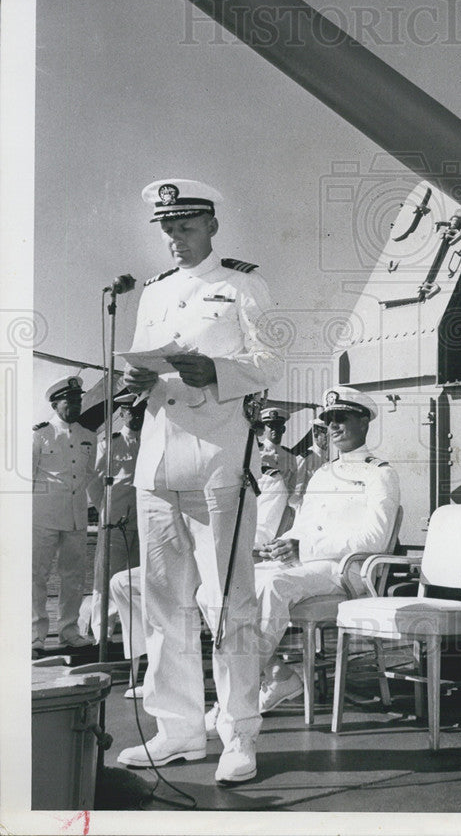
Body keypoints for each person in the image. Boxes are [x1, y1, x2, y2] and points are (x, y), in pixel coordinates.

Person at [116, 178, 281, 786]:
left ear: (211, 225)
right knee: (164, 603)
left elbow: (270, 363)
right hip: (158, 460)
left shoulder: (243, 286)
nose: (174, 241)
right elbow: (144, 360)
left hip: (218, 455)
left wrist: (212, 368)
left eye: (184, 228)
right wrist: (139, 383)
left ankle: (238, 734)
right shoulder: (155, 293)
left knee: (229, 602)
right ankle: (179, 730)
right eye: (166, 230)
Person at [247, 386, 399, 714]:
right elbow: (304, 523)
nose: (332, 425)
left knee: (274, 586)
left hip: (346, 571)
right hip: (308, 565)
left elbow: (375, 537)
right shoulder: (322, 474)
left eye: (341, 417)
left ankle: (239, 695)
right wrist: (282, 544)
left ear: (364, 422)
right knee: (222, 587)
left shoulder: (380, 474)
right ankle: (277, 673)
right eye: (328, 418)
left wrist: (305, 547)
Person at [32, 376, 97, 655]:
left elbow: (89, 474)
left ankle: (69, 632)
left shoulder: (89, 437)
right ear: (55, 403)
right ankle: (35, 635)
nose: (75, 404)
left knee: (73, 577)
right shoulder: (40, 434)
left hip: (76, 516)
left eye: (78, 400)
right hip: (43, 515)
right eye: (69, 400)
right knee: (37, 575)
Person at [86, 392, 144, 642]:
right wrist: (104, 510)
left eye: (141, 410)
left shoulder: (150, 442)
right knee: (107, 578)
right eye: (132, 411)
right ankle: (102, 633)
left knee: (138, 580)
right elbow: (93, 482)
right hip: (113, 523)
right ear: (122, 413)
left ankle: (135, 636)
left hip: (142, 524)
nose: (137, 415)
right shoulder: (109, 444)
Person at [254, 406, 297, 545]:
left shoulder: (290, 457)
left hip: (282, 514)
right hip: (259, 508)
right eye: (270, 426)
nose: (274, 430)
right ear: (264, 429)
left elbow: (292, 487)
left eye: (278, 426)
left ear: (283, 429)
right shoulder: (255, 452)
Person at [292, 417, 329, 507]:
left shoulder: (329, 459)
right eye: (325, 434)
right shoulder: (305, 459)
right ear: (316, 434)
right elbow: (296, 492)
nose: (328, 438)